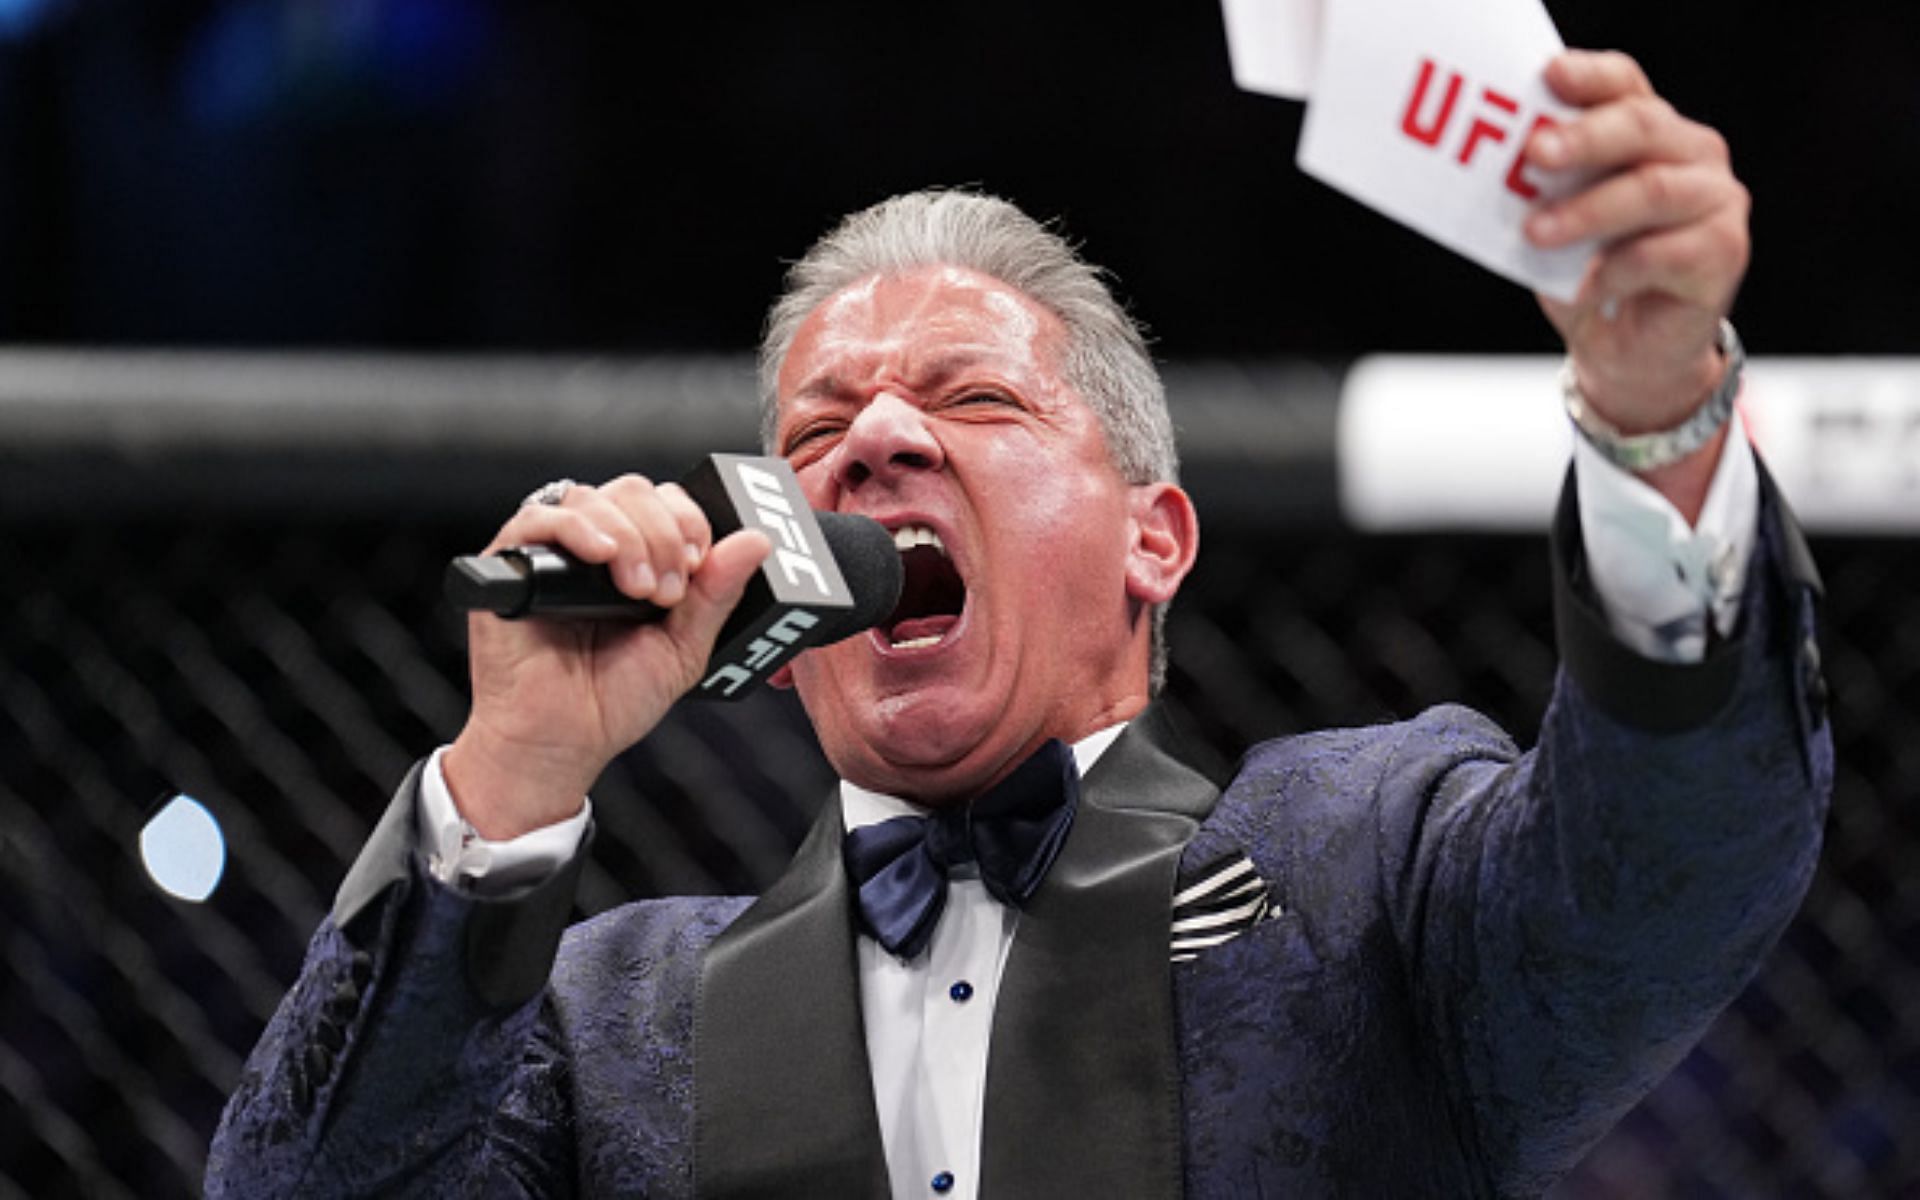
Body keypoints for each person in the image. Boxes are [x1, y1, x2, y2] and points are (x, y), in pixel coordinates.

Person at [208, 50, 1830, 1198]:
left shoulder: (1361, 866)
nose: (880, 441)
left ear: (1156, 538)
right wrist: (507, 784)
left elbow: (1677, 862)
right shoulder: (614, 1018)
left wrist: (1656, 430)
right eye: (823, 428)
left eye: (972, 397)